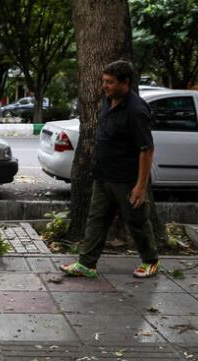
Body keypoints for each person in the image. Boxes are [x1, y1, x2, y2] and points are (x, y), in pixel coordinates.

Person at [60, 60, 159, 279]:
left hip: (126, 179)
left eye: (110, 82)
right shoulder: (108, 101)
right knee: (96, 219)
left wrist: (140, 187)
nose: (105, 86)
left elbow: (146, 149)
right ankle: (87, 264)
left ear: (126, 83)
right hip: (103, 175)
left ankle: (150, 261)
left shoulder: (136, 110)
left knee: (136, 221)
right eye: (104, 81)